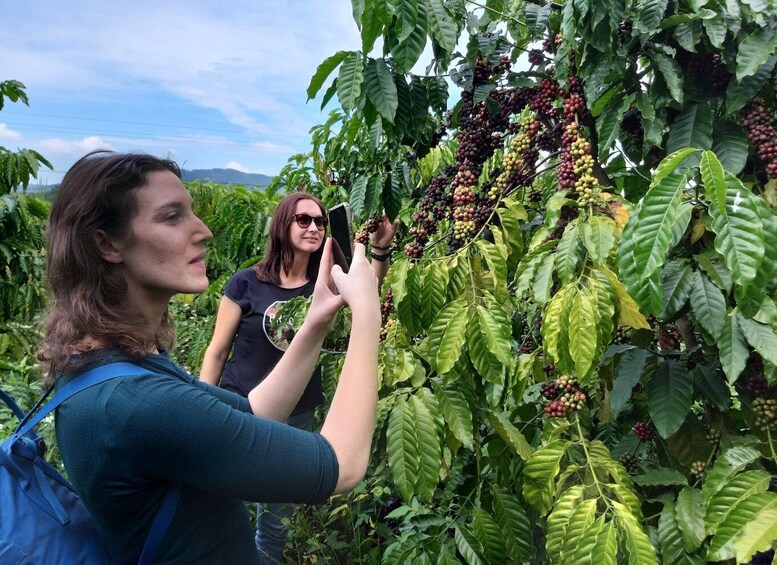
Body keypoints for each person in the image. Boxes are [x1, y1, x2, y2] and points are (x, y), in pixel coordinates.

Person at [37, 150, 382, 564]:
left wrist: (317, 322)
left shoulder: (119, 366)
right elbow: (341, 464)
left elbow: (254, 413)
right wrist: (367, 313)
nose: (203, 231)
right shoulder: (136, 404)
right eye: (172, 217)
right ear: (107, 243)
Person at [199, 192, 395, 562]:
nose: (314, 227)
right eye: (303, 219)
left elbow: (367, 290)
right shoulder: (246, 283)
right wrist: (202, 408)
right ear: (282, 224)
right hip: (242, 409)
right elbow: (217, 350)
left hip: (298, 415)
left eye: (321, 221)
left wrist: (380, 251)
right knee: (225, 503)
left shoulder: (322, 285)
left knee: (276, 519)